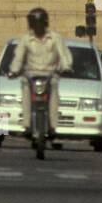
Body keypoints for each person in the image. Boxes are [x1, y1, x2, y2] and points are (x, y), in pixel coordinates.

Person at [9, 8, 72, 138]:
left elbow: (63, 54)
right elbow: (18, 57)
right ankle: (26, 124)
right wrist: (14, 70)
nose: (37, 27)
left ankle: (53, 126)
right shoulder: (26, 39)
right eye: (34, 24)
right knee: (25, 89)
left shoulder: (55, 38)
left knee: (54, 90)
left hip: (50, 74)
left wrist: (66, 67)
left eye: (40, 23)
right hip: (31, 74)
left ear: (45, 23)